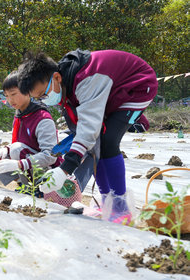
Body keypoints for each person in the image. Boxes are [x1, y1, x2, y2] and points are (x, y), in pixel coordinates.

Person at [18, 49, 158, 224]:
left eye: (44, 94)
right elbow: (84, 133)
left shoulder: (87, 79)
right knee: (95, 145)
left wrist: (65, 169)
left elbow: (88, 129)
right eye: (39, 98)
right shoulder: (67, 84)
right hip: (111, 91)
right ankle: (107, 203)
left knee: (108, 142)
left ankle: (121, 208)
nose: (45, 100)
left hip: (137, 86)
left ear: (56, 78)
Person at [0, 71, 61, 191]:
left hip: (46, 169)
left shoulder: (42, 118)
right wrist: (5, 149)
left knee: (17, 149)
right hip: (25, 160)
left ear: (28, 91)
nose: (10, 100)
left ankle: (32, 188)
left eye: (13, 94)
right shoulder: (19, 114)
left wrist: (19, 164)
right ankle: (22, 183)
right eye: (6, 96)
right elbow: (19, 142)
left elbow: (50, 156)